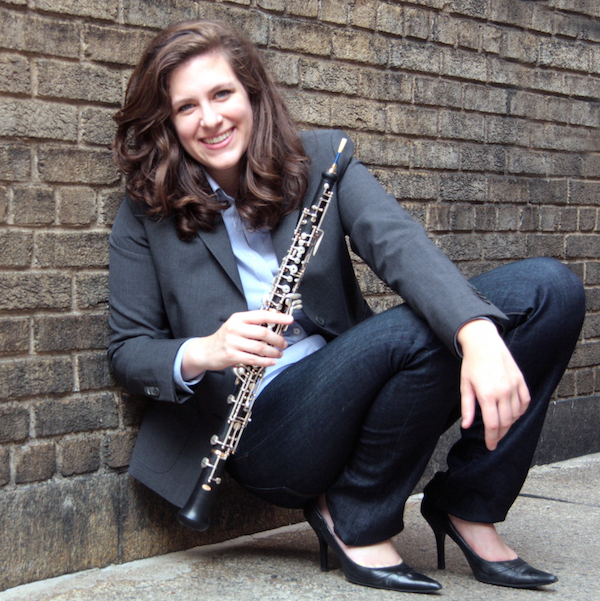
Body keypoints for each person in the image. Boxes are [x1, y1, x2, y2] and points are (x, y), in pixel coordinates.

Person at [109, 19, 585, 594]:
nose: (209, 119)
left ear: (252, 94)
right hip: (260, 430)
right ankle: (352, 515)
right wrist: (205, 351)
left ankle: (469, 505)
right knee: (417, 328)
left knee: (550, 291)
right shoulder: (147, 212)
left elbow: (399, 243)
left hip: (348, 381)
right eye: (186, 107)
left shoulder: (321, 159)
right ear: (168, 122)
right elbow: (129, 352)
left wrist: (477, 331)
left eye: (221, 94)